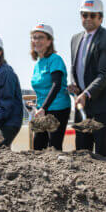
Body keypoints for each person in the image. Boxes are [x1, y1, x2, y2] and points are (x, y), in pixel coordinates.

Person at [68, 0, 106, 158]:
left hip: (103, 104)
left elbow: (105, 74)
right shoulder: (75, 39)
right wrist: (73, 84)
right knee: (82, 151)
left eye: (93, 15)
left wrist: (86, 93)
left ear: (101, 18)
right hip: (83, 104)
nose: (88, 19)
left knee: (101, 153)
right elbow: (74, 68)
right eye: (84, 15)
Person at [30, 23, 71, 151]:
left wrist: (43, 107)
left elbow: (56, 84)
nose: (37, 41)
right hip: (42, 109)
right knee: (38, 146)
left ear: (49, 41)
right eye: (34, 37)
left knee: (53, 147)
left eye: (41, 37)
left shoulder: (55, 59)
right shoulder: (38, 64)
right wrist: (36, 105)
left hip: (57, 108)